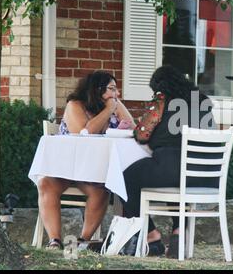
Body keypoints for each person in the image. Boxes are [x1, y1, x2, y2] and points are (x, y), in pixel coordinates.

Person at [122, 65, 217, 258]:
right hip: (206, 175)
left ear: (159, 87)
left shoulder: (162, 99)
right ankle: (178, 232)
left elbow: (142, 134)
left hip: (173, 166)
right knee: (170, 179)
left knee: (125, 178)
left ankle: (152, 236)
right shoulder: (203, 101)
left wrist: (138, 126)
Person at [37, 71, 135, 249]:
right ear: (98, 90)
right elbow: (85, 133)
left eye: (117, 90)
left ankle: (81, 241)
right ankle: (55, 240)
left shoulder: (114, 104)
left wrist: (116, 106)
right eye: (112, 89)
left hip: (93, 170)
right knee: (45, 183)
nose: (117, 94)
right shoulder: (75, 105)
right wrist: (108, 110)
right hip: (65, 167)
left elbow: (134, 130)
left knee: (101, 190)